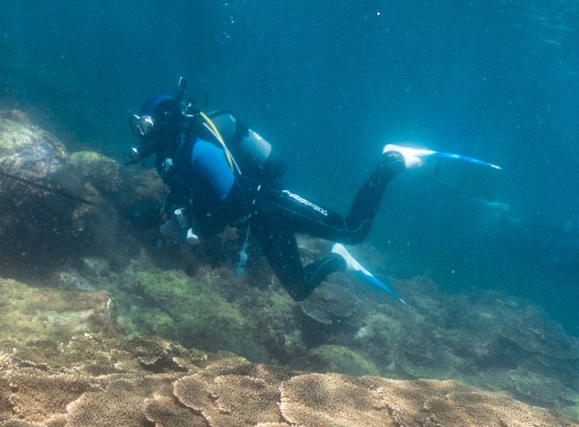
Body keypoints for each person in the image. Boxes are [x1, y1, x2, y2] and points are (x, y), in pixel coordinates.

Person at [128, 85, 420, 302]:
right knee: (299, 289)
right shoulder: (170, 161)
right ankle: (339, 259)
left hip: (268, 202)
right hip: (259, 223)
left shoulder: (197, 149)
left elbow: (232, 199)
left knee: (354, 230)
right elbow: (186, 196)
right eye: (139, 127)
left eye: (145, 126)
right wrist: (156, 216)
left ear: (164, 121)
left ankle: (391, 162)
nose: (142, 136)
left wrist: (200, 228)